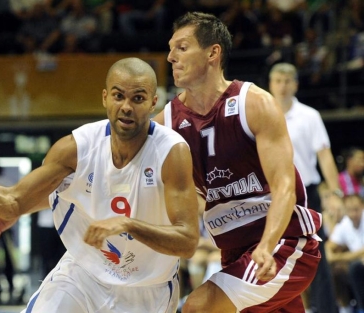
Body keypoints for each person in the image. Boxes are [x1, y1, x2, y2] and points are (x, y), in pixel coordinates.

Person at [0, 57, 200, 312]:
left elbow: (187, 242)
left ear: (153, 103)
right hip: (83, 274)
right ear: (105, 98)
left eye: (138, 98)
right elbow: (15, 199)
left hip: (148, 290)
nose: (126, 107)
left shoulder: (171, 152)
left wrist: (127, 224)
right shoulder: (76, 148)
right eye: (118, 96)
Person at [151, 12, 322, 312]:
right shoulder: (166, 121)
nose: (170, 57)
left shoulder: (254, 103)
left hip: (283, 242)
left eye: (181, 47)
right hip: (232, 251)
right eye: (170, 48)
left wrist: (267, 248)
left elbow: (284, 187)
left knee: (198, 307)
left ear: (212, 53)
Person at [268, 62, 340, 313]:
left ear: (296, 84)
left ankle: (325, 309)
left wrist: (336, 193)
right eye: (278, 80)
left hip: (306, 195)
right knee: (271, 251)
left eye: (287, 81)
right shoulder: (263, 113)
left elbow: (325, 156)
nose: (283, 86)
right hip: (271, 195)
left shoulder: (310, 116)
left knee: (315, 254)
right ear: (270, 84)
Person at [326, 194, 364, 313]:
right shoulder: (344, 224)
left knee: (355, 267)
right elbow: (328, 247)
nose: (353, 214)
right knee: (336, 270)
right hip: (356, 263)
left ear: (362, 206)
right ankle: (345, 307)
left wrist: (340, 257)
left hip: (356, 264)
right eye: (349, 210)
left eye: (356, 209)